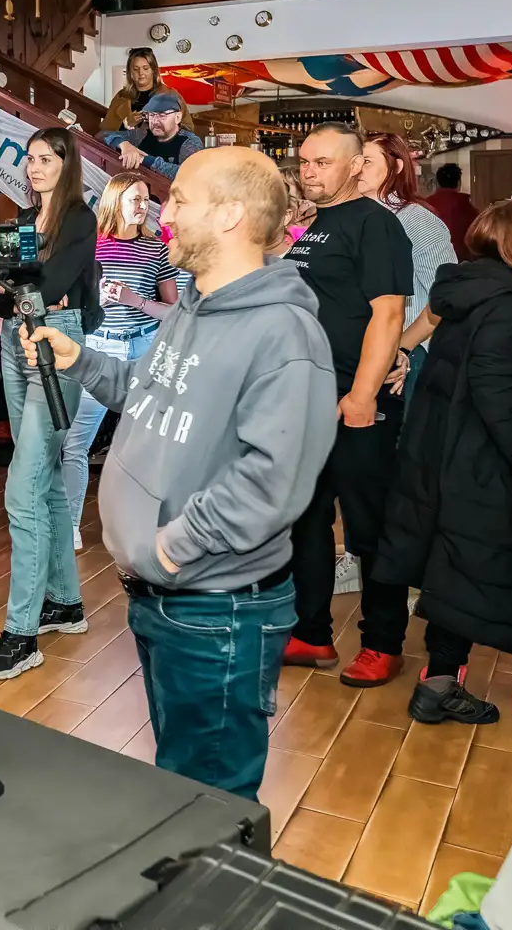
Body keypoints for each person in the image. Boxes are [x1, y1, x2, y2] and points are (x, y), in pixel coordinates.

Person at [21, 147, 337, 801]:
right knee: (180, 786)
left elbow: (271, 482)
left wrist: (170, 548)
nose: (165, 216)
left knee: (210, 803)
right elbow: (143, 390)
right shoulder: (195, 306)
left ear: (230, 214)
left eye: (181, 202)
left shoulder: (284, 334)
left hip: (214, 606)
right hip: (165, 596)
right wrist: (80, 359)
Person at [371, 199, 512, 726]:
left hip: (440, 450)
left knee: (464, 567)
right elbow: (494, 384)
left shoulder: (463, 288)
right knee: (508, 564)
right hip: (484, 457)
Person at [279, 123, 415, 685]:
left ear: (356, 166)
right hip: (307, 400)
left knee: (369, 527)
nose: (309, 171)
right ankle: (311, 632)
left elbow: (389, 313)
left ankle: (383, 642)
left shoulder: (375, 224)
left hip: (354, 400)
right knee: (307, 521)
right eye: (305, 161)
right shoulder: (316, 225)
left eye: (322, 162)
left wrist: (363, 394)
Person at [0, 126, 101, 680]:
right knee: (45, 476)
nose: (33, 166)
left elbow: (50, 285)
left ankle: (21, 633)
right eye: (29, 158)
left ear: (65, 164)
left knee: (21, 488)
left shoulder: (78, 218)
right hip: (13, 339)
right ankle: (65, 603)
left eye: (45, 158)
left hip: (56, 338)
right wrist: (19, 287)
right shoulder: (23, 220)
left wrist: (20, 285)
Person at [61, 171, 176, 551]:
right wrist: (94, 301)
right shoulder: (91, 247)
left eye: (146, 199)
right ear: (115, 202)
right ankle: (69, 526)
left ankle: (149, 528)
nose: (143, 206)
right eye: (135, 199)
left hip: (144, 349)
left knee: (151, 445)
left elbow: (174, 313)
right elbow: (68, 302)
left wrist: (133, 300)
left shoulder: (157, 249)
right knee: (76, 443)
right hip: (98, 347)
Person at [363, 132, 457, 416]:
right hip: (369, 349)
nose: (357, 169)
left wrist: (402, 348)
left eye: (367, 161)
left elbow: (445, 296)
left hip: (411, 352)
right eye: (355, 161)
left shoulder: (416, 219)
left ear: (396, 166)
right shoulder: (356, 218)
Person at [102, 90, 204, 180]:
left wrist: (144, 159)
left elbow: (190, 175)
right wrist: (125, 145)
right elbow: (105, 135)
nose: (155, 121)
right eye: (151, 115)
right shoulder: (143, 134)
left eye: (162, 115)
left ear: (177, 117)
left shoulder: (190, 142)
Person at [101, 48, 162, 133]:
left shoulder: (168, 95)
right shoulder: (121, 97)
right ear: (130, 72)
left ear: (153, 70)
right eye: (136, 69)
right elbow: (105, 132)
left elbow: (181, 130)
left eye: (145, 68)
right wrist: (127, 124)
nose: (141, 73)